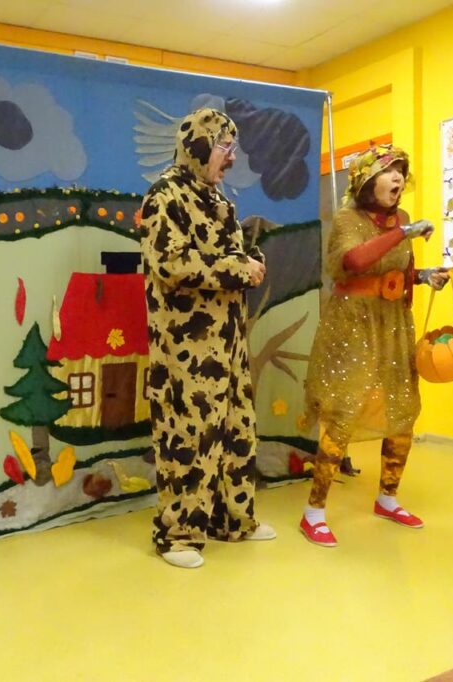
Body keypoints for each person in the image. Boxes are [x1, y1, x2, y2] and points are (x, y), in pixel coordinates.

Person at [140, 108, 276, 569]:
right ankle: (177, 536)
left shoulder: (217, 199)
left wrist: (251, 260)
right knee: (190, 438)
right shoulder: (165, 195)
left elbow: (227, 254)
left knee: (237, 431)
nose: (230, 159)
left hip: (229, 342)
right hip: (186, 349)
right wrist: (238, 268)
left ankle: (233, 521)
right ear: (197, 146)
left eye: (232, 149)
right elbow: (171, 263)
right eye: (223, 147)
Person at [300, 144, 449, 547]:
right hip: (353, 324)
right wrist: (404, 233)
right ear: (367, 181)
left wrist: (423, 276)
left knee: (401, 407)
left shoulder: (402, 220)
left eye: (401, 170)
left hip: (393, 324)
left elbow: (397, 268)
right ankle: (314, 512)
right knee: (344, 411)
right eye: (388, 170)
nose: (398, 177)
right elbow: (353, 262)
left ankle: (388, 497)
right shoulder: (348, 218)